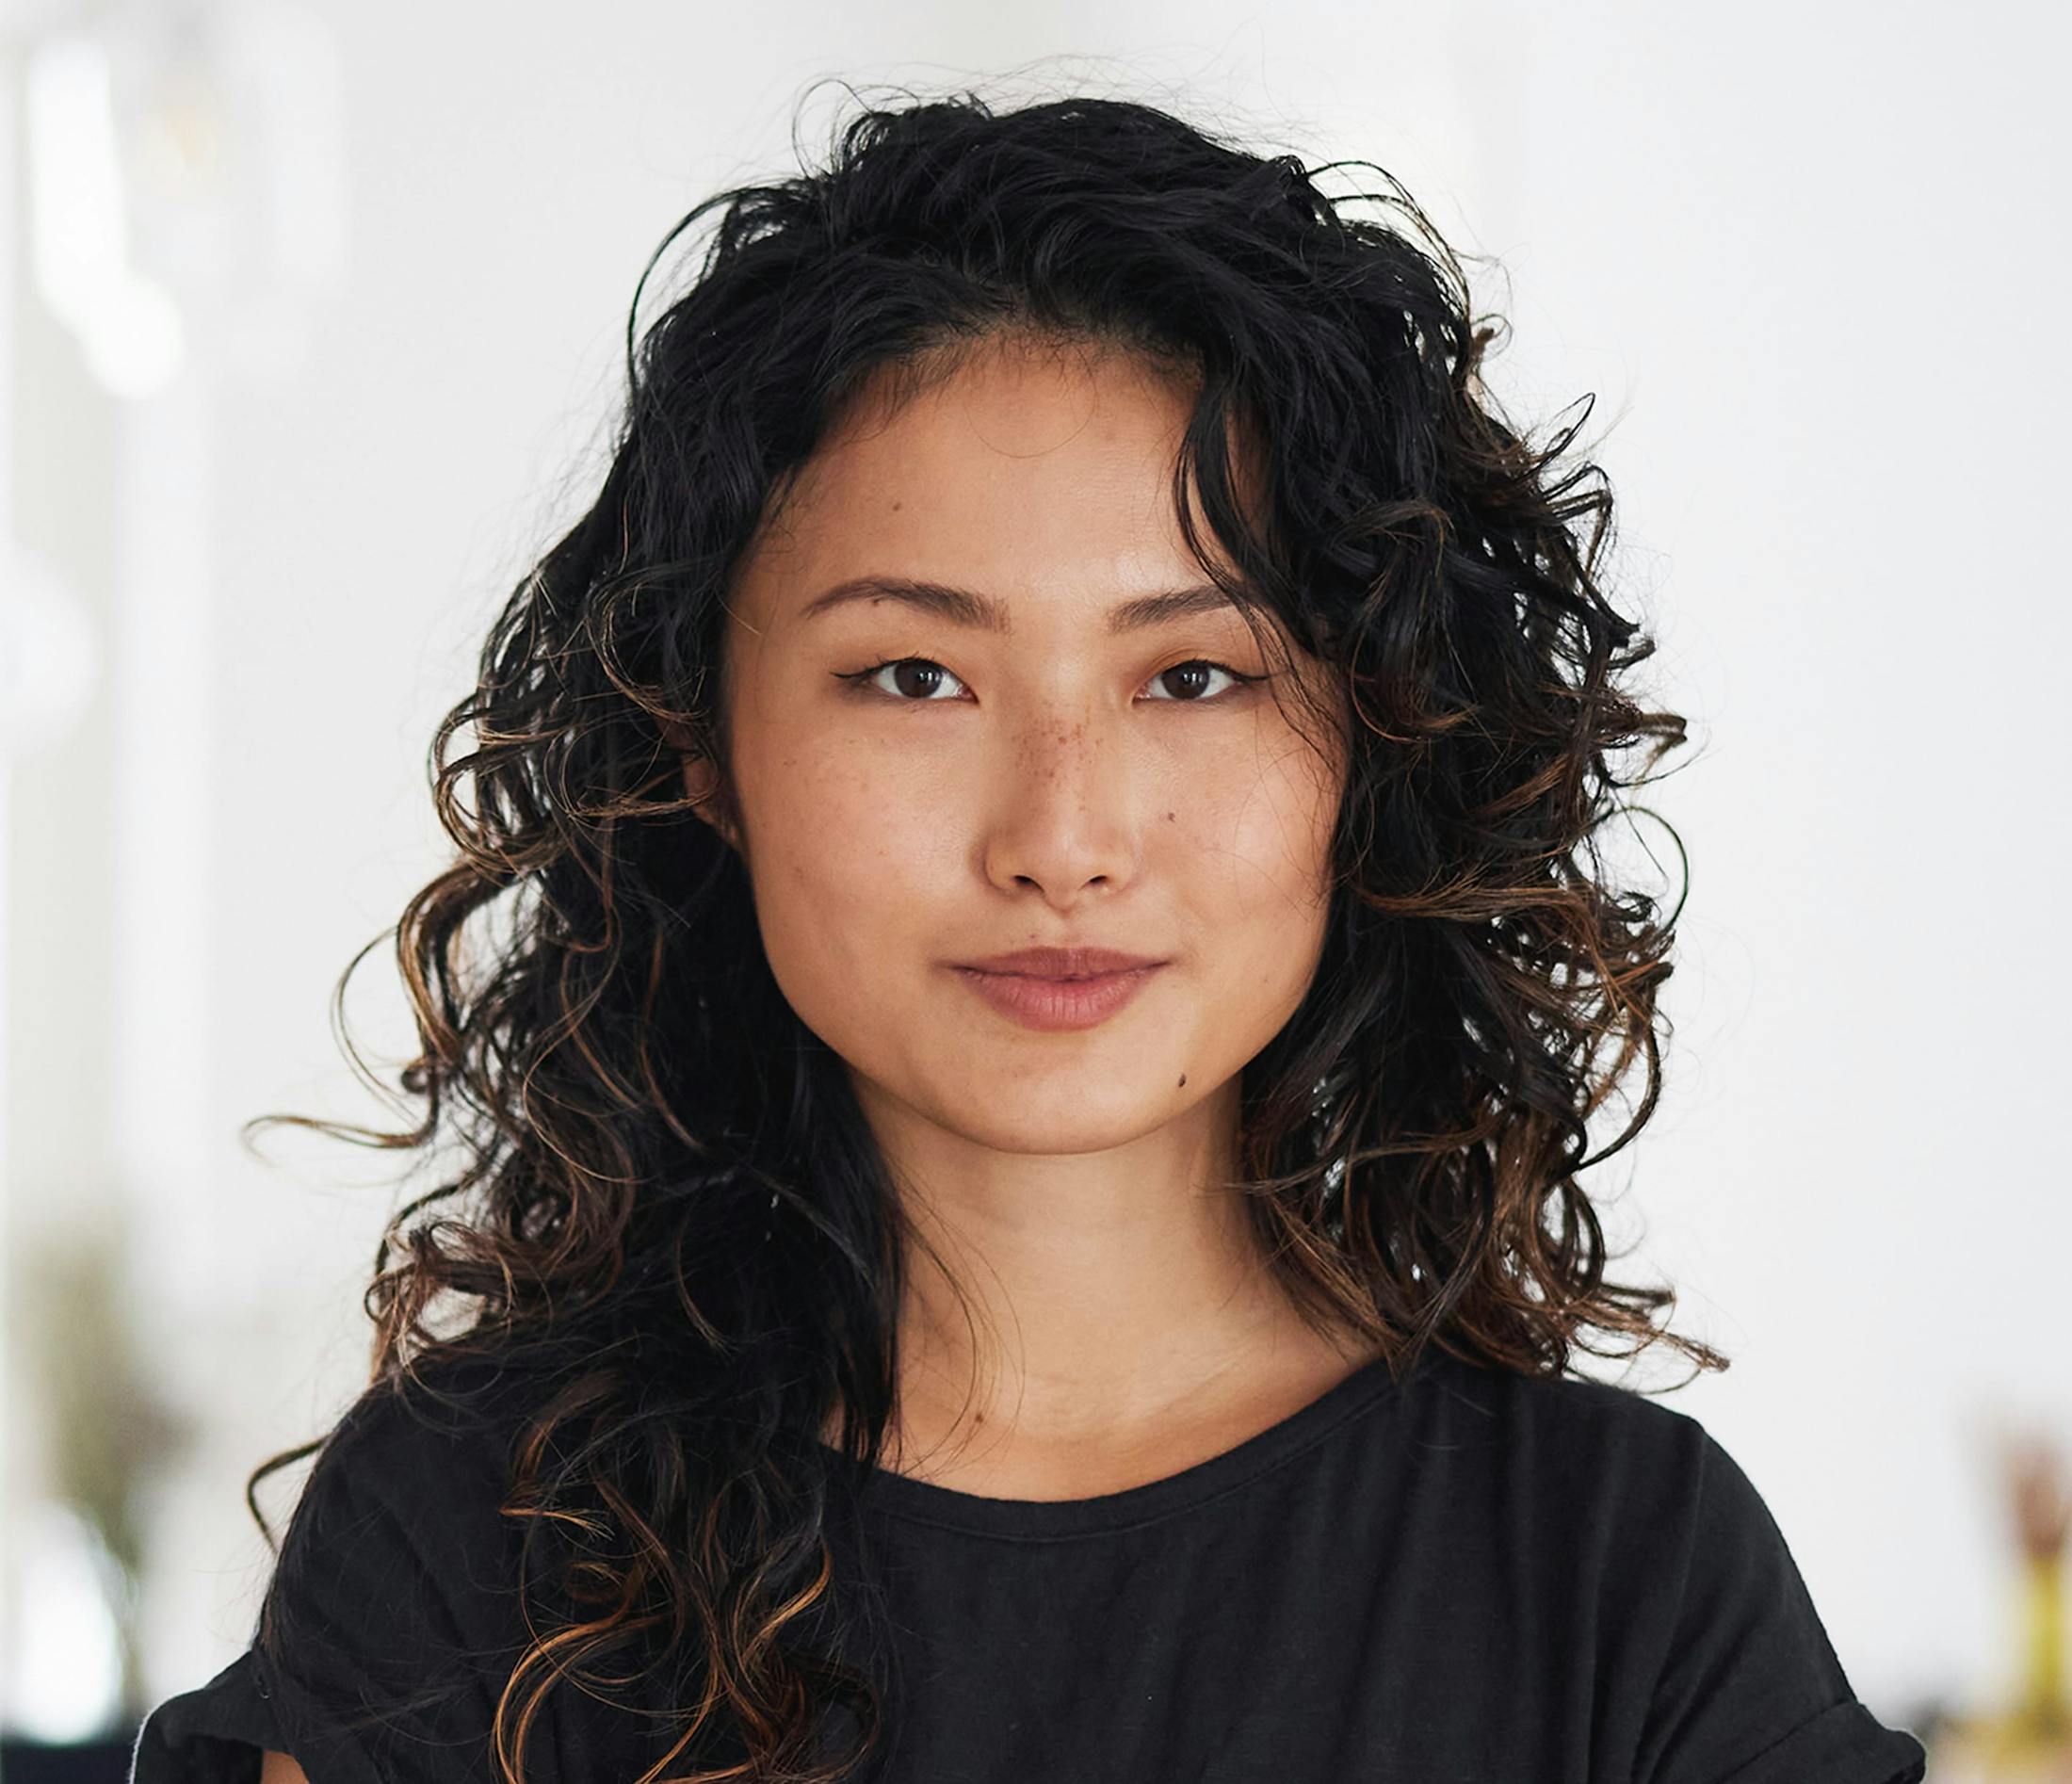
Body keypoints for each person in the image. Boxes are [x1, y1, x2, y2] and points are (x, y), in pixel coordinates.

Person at [129, 86, 1927, 1784]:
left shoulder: (1624, 1579)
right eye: (915, 675)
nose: (1062, 839)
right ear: (705, 749)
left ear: (1374, 742)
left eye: (1196, 675)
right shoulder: (473, 1541)